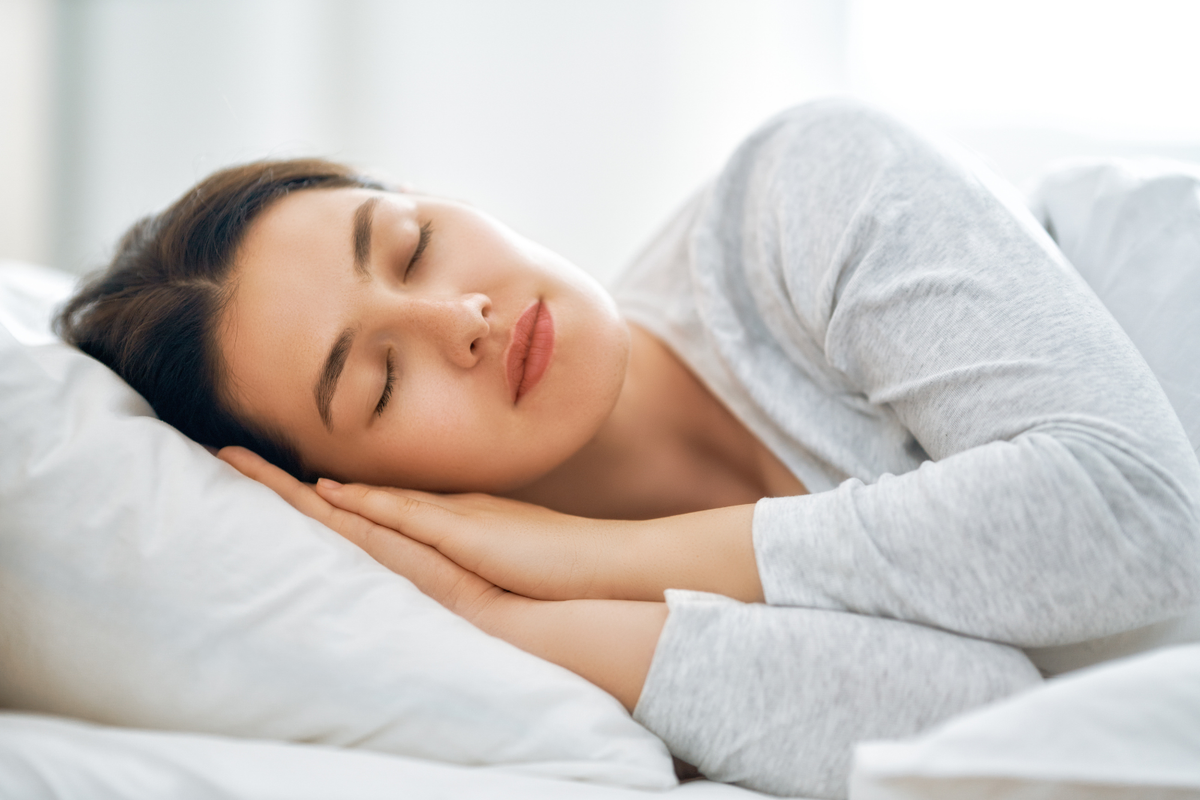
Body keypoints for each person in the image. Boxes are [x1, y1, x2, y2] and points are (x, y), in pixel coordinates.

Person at [56, 100, 1200, 799]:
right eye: (382, 378)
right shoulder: (586, 651)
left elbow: (1138, 520)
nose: (460, 317)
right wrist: (506, 616)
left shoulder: (802, 193)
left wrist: (584, 559)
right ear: (359, 495)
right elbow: (989, 725)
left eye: (409, 246)